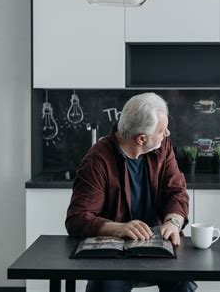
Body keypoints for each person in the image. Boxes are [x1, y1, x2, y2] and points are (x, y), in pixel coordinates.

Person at [66, 92, 197, 292]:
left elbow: (176, 190)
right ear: (141, 139)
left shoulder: (162, 147)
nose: (168, 133)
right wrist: (119, 229)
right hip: (114, 254)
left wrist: (173, 222)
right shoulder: (97, 161)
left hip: (159, 246)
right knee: (105, 287)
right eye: (162, 130)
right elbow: (77, 219)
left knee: (184, 284)